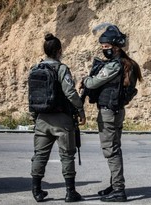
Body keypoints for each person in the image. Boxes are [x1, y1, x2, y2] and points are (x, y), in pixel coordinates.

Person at [80, 25, 142, 202]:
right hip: (117, 111)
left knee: (111, 150)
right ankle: (114, 184)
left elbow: (92, 83)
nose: (103, 50)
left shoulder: (115, 66)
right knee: (115, 148)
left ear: (115, 48)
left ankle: (118, 190)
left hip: (109, 112)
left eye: (106, 47)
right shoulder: (128, 64)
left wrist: (85, 79)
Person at [30, 33, 86, 202]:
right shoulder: (61, 69)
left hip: (41, 119)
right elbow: (69, 92)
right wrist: (80, 110)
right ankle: (70, 192)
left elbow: (32, 95)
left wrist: (35, 116)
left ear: (45, 51)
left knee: (39, 155)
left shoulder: (35, 69)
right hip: (62, 120)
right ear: (59, 51)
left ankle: (37, 191)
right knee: (67, 155)